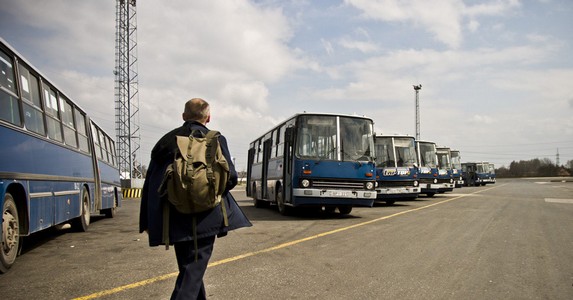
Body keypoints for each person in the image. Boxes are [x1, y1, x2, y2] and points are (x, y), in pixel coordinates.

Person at [139, 98, 252, 299]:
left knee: (189, 269)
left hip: (175, 217)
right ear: (208, 117)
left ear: (183, 116)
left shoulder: (166, 141)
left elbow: (151, 184)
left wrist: (147, 220)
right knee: (192, 273)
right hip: (207, 217)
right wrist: (210, 193)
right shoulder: (215, 139)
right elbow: (231, 177)